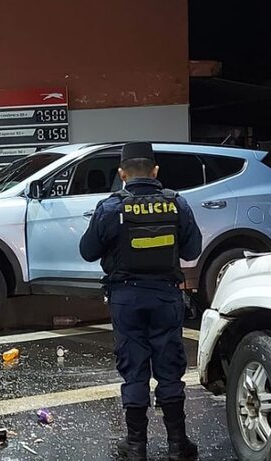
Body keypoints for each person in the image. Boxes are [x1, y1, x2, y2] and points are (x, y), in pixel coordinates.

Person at [79, 142, 202, 461]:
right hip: (166, 296)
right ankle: (178, 445)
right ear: (155, 171)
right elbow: (192, 251)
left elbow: (88, 251)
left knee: (133, 370)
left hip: (126, 298)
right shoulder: (177, 204)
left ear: (122, 174)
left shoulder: (110, 207)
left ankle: (136, 445)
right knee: (169, 369)